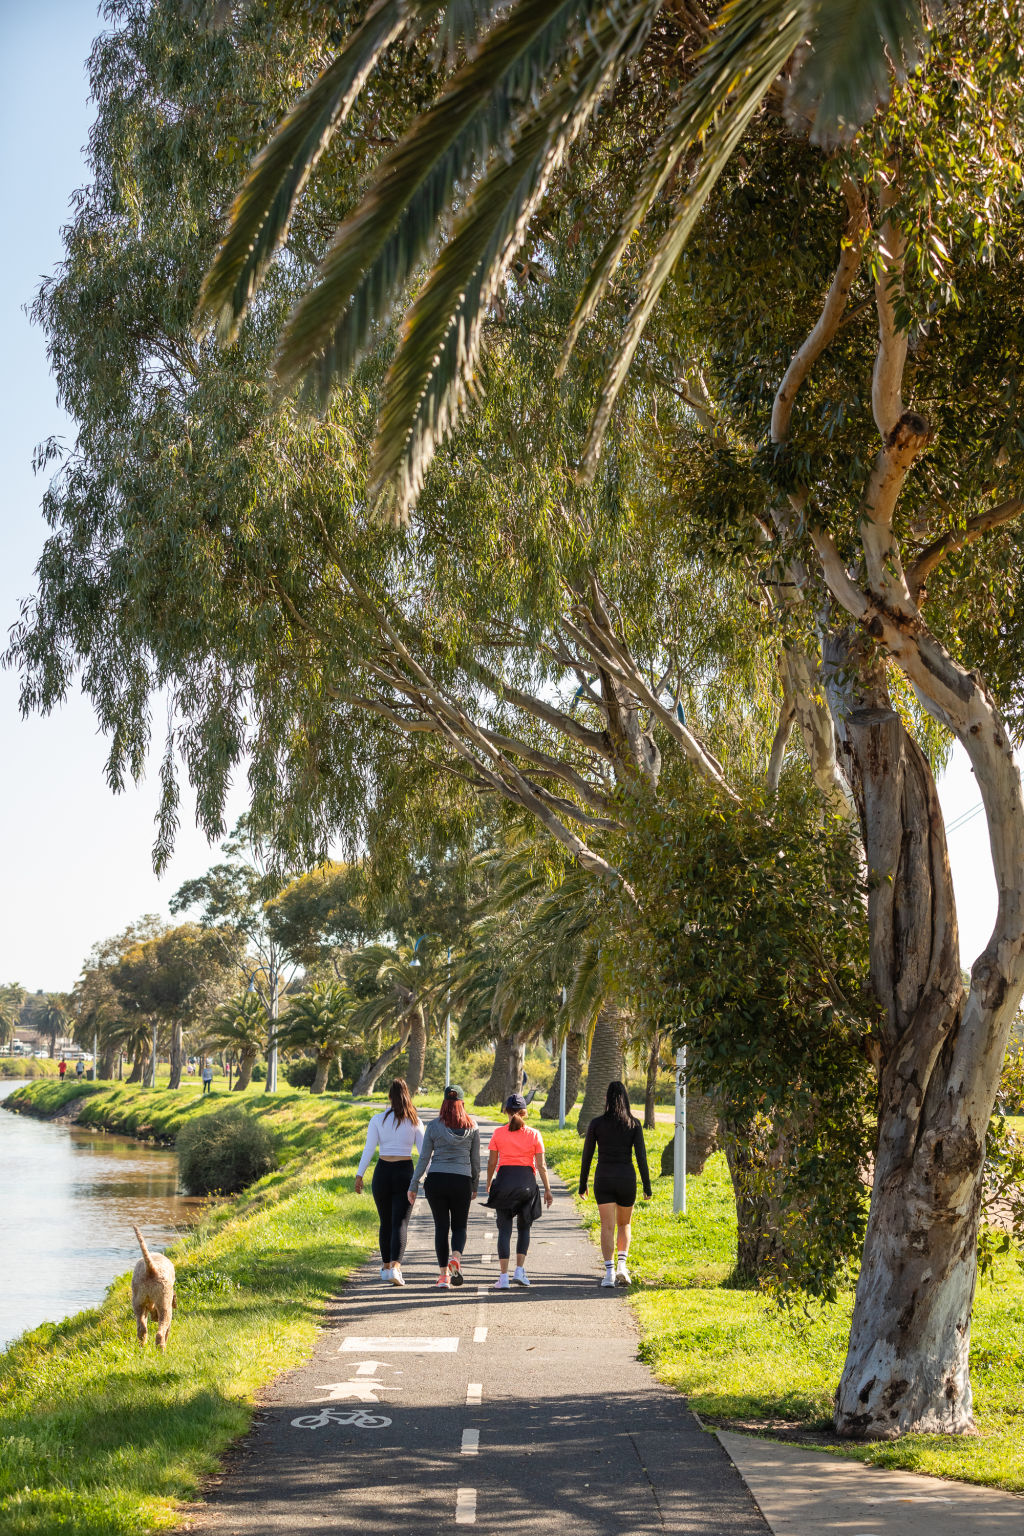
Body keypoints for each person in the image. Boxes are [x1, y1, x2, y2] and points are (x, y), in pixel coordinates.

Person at [579, 1080, 652, 1287]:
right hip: (626, 1178)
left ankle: (609, 1273)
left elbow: (587, 1156)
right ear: (626, 1099)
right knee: (624, 1224)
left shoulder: (596, 1123)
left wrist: (582, 1183)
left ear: (606, 1099)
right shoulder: (634, 1124)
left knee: (607, 1226)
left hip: (604, 1178)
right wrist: (647, 1186)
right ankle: (622, 1266)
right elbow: (641, 1157)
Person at [408, 1084, 480, 1288]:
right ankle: (455, 1257)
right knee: (459, 1226)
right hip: (461, 1181)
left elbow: (423, 1158)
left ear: (444, 1103)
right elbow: (475, 1162)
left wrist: (413, 1184)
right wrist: (474, 1184)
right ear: (462, 1104)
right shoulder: (472, 1127)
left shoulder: (433, 1126)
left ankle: (442, 1277)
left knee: (441, 1226)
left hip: (436, 1180)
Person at [355, 1079, 424, 1286]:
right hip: (405, 1172)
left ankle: (386, 1267)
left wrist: (359, 1175)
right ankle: (395, 1267)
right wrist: (427, 1177)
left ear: (389, 1097)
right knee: (400, 1222)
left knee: (385, 1222)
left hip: (382, 1172)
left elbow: (369, 1149)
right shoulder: (415, 1121)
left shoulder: (377, 1119)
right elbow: (424, 1154)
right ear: (408, 1096)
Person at [485, 1093, 553, 1290]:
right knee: (524, 1228)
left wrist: (489, 1183)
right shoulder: (534, 1134)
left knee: (504, 1230)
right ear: (525, 1112)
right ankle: (520, 1271)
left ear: (506, 1111)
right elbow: (541, 1166)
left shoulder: (498, 1133)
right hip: (526, 1184)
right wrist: (547, 1189)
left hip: (504, 1183)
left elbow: (491, 1163)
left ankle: (503, 1277)